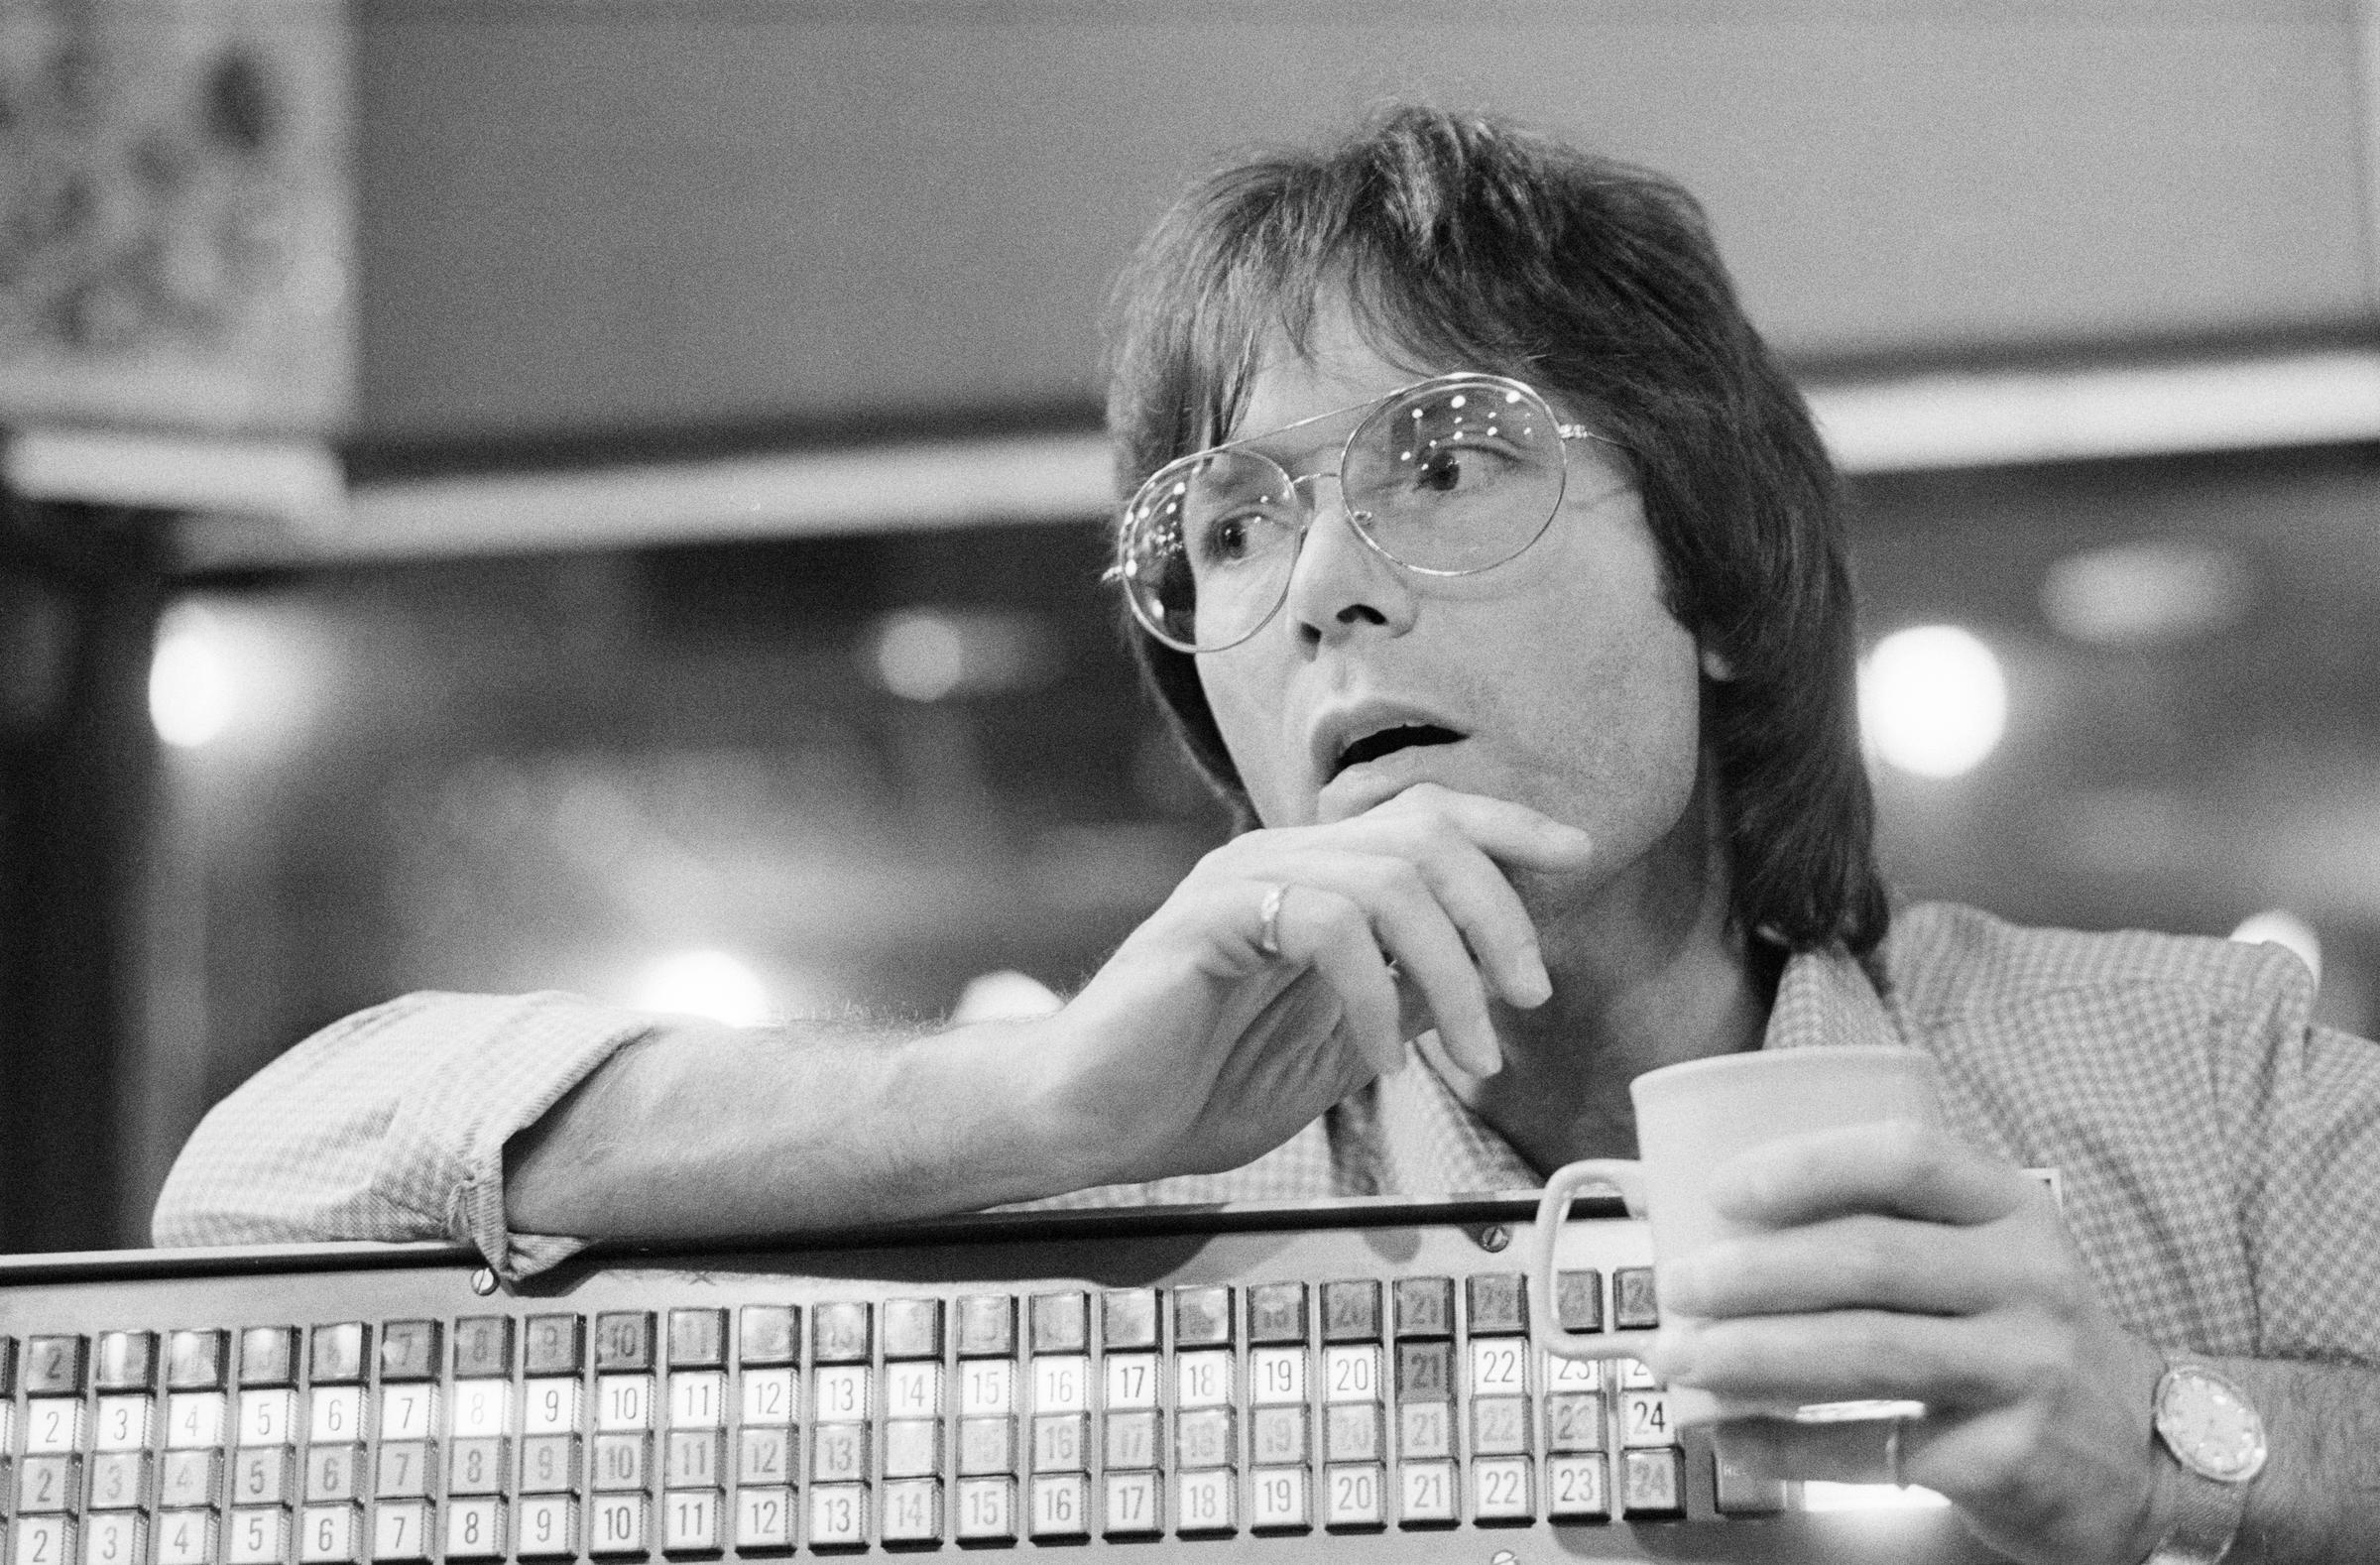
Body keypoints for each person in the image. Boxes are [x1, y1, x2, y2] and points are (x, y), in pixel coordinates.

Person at [157, 107, 2380, 1563]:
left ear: (1713, 567)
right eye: (1231, 524)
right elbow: (250, 1197)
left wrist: (2178, 1448)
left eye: (1437, 457)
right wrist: (1034, 1098)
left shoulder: (2203, 1079)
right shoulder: (1114, 1208)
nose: (1320, 581)